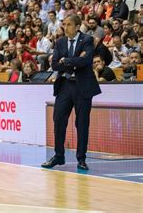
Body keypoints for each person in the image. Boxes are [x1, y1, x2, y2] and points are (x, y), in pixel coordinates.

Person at [42, 15, 101, 171]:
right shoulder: (60, 42)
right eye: (64, 24)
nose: (65, 27)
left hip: (82, 87)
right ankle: (58, 156)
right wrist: (72, 60)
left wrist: (65, 60)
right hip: (65, 85)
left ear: (77, 26)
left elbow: (86, 61)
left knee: (82, 124)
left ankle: (81, 159)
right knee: (58, 119)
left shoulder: (87, 40)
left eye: (68, 25)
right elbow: (54, 64)